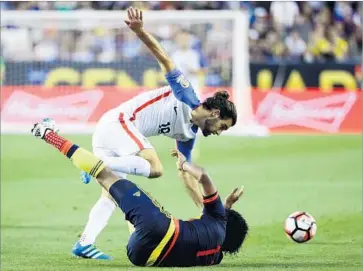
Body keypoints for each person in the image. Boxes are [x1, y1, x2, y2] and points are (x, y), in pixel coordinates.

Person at [74, 7, 237, 259]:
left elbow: (185, 172)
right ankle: (94, 164)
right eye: (222, 127)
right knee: (154, 165)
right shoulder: (187, 95)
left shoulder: (188, 135)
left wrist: (211, 215)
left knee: (113, 190)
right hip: (120, 121)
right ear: (215, 114)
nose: (219, 132)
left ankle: (85, 242)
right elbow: (165, 59)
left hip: (114, 134)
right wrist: (140, 31)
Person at [31, 120, 249, 267]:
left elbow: (203, 176)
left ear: (226, 220)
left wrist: (184, 165)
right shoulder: (216, 257)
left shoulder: (218, 220)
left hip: (159, 228)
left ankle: (49, 135)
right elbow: (218, 222)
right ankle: (100, 176)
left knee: (106, 175)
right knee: (133, 207)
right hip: (140, 256)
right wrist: (226, 208)